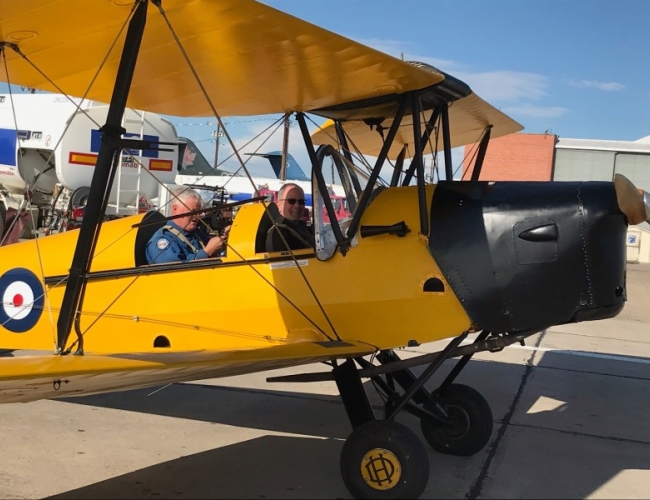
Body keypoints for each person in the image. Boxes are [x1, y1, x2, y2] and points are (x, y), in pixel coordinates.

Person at [146, 186, 228, 264]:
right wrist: (206, 252)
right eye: (192, 212)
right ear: (175, 209)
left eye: (199, 212)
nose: (197, 216)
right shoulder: (164, 239)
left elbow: (214, 246)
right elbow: (173, 271)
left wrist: (224, 236)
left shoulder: (195, 233)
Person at [266, 183, 313, 252]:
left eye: (301, 201)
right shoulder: (278, 233)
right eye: (291, 201)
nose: (297, 206)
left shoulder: (303, 227)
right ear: (279, 204)